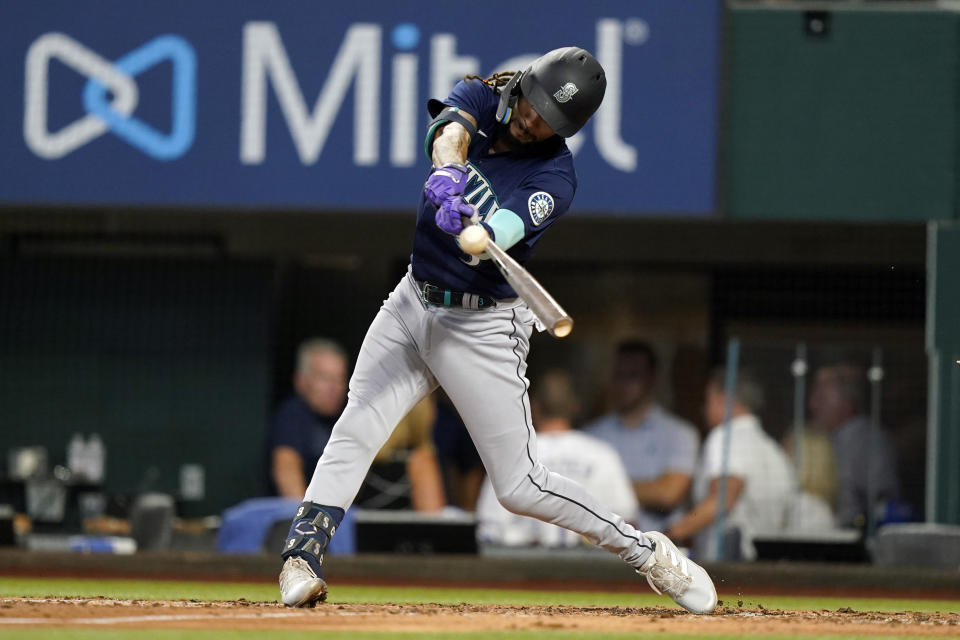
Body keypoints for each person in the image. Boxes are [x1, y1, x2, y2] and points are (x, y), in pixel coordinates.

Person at [277, 46, 717, 614]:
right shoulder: (482, 96)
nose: (533, 121)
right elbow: (449, 133)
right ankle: (301, 559)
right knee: (359, 420)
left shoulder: (555, 174)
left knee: (519, 487)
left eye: (550, 121)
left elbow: (508, 226)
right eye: (534, 105)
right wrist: (447, 174)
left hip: (481, 325)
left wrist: (482, 230)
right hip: (413, 301)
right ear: (525, 84)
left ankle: (650, 553)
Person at [476, 370, 638, 548]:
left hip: (525, 568)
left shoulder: (510, 456)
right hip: (590, 569)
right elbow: (628, 527)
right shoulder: (603, 455)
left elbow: (488, 532)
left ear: (533, 407)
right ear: (575, 407)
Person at [667, 368, 796, 561]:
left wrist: (668, 536)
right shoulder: (772, 449)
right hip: (767, 564)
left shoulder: (725, 437)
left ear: (723, 399)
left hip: (730, 565)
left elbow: (723, 499)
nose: (703, 408)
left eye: (707, 400)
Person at [583, 341, 699, 532]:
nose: (623, 384)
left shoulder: (680, 434)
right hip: (599, 549)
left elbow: (668, 494)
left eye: (632, 375)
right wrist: (648, 489)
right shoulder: (591, 435)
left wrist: (602, 487)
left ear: (652, 379)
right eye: (618, 375)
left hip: (658, 551)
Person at [808, 362, 900, 528]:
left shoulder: (868, 440)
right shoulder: (820, 437)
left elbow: (882, 499)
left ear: (847, 403)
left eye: (821, 398)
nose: (812, 405)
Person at [267, 338, 348, 499]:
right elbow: (286, 471)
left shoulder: (347, 417)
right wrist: (307, 522)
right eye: (325, 378)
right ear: (301, 381)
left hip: (340, 517)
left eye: (339, 379)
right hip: (299, 519)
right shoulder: (292, 415)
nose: (334, 388)